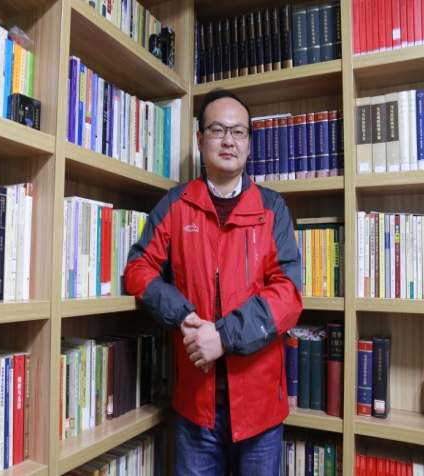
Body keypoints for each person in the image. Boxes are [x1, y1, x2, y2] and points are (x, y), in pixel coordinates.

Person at [124, 88, 302, 475]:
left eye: (238, 132)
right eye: (218, 130)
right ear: (200, 139)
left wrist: (223, 336)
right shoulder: (175, 204)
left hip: (259, 410)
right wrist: (181, 315)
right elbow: (138, 268)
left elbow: (288, 294)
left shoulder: (272, 208)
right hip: (195, 408)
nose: (228, 140)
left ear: (249, 143)